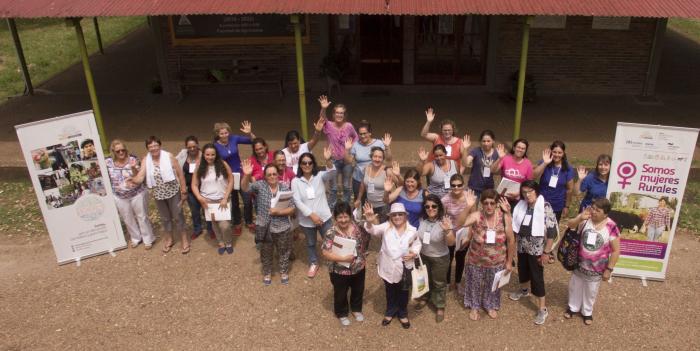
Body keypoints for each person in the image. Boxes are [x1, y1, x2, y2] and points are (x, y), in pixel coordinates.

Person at [458, 189, 515, 320]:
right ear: (482, 204)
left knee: (492, 285)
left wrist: (508, 261)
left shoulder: (504, 216)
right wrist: (468, 206)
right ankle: (474, 306)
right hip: (476, 260)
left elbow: (511, 240)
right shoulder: (477, 216)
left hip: (497, 261)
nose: (489, 206)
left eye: (492, 203)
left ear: (496, 204)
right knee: (474, 284)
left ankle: (489, 304)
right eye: (486, 203)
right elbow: (460, 223)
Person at [508, 180, 559, 325]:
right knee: (522, 269)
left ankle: (542, 308)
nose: (527, 194)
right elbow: (515, 224)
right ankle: (524, 290)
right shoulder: (521, 205)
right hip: (522, 245)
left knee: (537, 276)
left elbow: (551, 232)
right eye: (524, 192)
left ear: (536, 191)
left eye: (530, 191)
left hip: (537, 248)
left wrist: (546, 252)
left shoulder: (544, 206)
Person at [363, 202, 421, 329]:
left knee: (404, 291)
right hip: (387, 265)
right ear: (390, 216)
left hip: (405, 267)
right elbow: (372, 229)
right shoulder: (385, 227)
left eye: (400, 214)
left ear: (405, 216)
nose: (397, 217)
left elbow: (417, 245)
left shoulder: (412, 230)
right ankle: (390, 311)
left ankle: (402, 313)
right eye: (394, 215)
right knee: (390, 290)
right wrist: (369, 221)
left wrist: (413, 254)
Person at [564, 198, 620, 325]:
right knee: (575, 285)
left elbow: (616, 250)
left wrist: (609, 269)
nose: (593, 212)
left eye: (597, 210)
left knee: (591, 290)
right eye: (593, 208)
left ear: (605, 213)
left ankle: (587, 311)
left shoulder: (611, 226)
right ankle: (573, 307)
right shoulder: (585, 219)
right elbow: (570, 225)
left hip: (597, 267)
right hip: (579, 263)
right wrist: (580, 218)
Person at [129, 136, 189, 254]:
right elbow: (141, 176)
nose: (153, 148)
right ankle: (170, 239)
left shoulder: (169, 156)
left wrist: (183, 191)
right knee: (165, 218)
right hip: (158, 194)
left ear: (160, 146)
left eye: (155, 145)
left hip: (173, 192)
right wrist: (133, 179)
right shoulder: (146, 160)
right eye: (150, 146)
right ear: (147, 148)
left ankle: (184, 239)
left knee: (178, 216)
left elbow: (180, 174)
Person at [241, 160, 296, 285]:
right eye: (269, 174)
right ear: (265, 176)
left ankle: (283, 271)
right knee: (266, 251)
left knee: (283, 250)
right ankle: (267, 272)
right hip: (264, 226)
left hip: (282, 227)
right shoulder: (260, 185)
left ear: (278, 175)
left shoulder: (285, 188)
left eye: (274, 174)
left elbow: (292, 208)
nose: (272, 176)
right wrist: (247, 175)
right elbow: (245, 188)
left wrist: (279, 212)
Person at [321, 202, 372, 326]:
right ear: (335, 218)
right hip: (339, 270)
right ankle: (342, 313)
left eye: (346, 217)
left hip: (359, 267)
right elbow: (325, 252)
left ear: (350, 216)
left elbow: (372, 230)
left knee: (358, 290)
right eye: (340, 217)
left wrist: (370, 221)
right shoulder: (331, 233)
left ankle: (356, 309)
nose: (343, 220)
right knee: (340, 292)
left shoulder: (358, 228)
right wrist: (342, 258)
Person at [291, 147, 335, 278]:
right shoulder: (295, 181)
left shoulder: (320, 176)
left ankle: (333, 260)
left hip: (324, 217)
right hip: (307, 220)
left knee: (331, 239)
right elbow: (297, 201)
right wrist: (312, 215)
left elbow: (333, 173)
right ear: (300, 165)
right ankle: (313, 262)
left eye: (310, 162)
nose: (307, 165)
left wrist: (328, 160)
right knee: (310, 243)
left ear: (313, 164)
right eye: (304, 163)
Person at [105, 139, 155, 249]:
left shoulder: (133, 159)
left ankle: (148, 239)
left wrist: (133, 168)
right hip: (119, 195)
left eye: (123, 150)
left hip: (137, 193)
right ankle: (136, 237)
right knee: (127, 218)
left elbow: (139, 176)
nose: (121, 153)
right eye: (118, 151)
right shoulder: (108, 162)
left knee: (142, 216)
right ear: (113, 152)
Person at [413, 194, 455, 323]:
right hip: (423, 256)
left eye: (434, 206)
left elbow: (451, 243)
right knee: (424, 279)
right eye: (427, 206)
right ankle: (425, 297)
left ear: (439, 207)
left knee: (439, 282)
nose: (430, 208)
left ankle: (440, 305)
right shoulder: (421, 220)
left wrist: (448, 231)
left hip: (440, 257)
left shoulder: (445, 222)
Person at [213, 121, 255, 235]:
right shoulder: (215, 146)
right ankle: (237, 223)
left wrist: (249, 133)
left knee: (247, 199)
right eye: (221, 134)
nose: (225, 135)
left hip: (240, 174)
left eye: (226, 133)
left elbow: (253, 141)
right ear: (217, 134)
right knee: (235, 201)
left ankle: (249, 221)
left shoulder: (234, 138)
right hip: (228, 177)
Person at [192, 144, 234, 255]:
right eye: (207, 154)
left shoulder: (223, 164)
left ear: (216, 155)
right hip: (208, 201)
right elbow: (194, 185)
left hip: (223, 200)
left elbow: (231, 180)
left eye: (212, 154)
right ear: (204, 155)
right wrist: (200, 198)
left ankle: (228, 242)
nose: (210, 157)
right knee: (214, 223)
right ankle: (221, 242)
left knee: (225, 225)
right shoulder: (199, 166)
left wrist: (225, 197)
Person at [319, 95, 358, 208]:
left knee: (347, 186)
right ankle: (332, 208)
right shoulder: (329, 125)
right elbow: (322, 118)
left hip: (346, 160)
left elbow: (355, 137)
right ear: (334, 114)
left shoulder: (349, 126)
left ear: (344, 115)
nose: (339, 115)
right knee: (334, 187)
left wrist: (352, 149)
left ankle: (345, 208)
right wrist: (323, 108)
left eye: (342, 113)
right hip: (333, 160)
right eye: (337, 112)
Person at [345, 120, 393, 199]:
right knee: (359, 202)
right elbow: (348, 161)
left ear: (370, 133)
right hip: (358, 179)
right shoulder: (355, 145)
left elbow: (388, 159)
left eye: (365, 133)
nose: (362, 136)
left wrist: (387, 147)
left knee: (376, 201)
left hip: (376, 180)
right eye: (360, 134)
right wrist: (346, 150)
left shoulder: (379, 143)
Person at [441, 174, 471, 292]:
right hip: (450, 234)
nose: (456, 188)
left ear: (463, 185)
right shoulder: (445, 200)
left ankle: (458, 282)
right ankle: (447, 282)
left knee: (460, 258)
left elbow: (472, 217)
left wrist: (469, 235)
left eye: (459, 185)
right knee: (448, 258)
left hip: (464, 233)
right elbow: (443, 218)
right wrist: (447, 232)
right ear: (450, 186)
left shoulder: (469, 198)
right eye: (453, 185)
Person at [533, 141, 575, 221]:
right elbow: (534, 176)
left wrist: (566, 206)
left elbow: (570, 189)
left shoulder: (568, 169)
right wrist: (545, 163)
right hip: (542, 202)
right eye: (554, 152)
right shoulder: (544, 162)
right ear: (551, 152)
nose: (557, 155)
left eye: (560, 152)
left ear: (563, 153)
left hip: (557, 205)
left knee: (552, 231)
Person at [181, 136, 213, 239]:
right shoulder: (183, 155)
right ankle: (197, 229)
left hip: (204, 189)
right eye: (189, 147)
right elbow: (177, 168)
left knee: (206, 210)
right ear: (186, 147)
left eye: (194, 146)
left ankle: (211, 229)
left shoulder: (204, 155)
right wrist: (183, 188)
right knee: (194, 211)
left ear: (198, 145)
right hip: (190, 190)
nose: (192, 149)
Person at [490, 138, 533, 208]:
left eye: (523, 148)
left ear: (525, 151)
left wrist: (519, 193)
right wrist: (500, 158)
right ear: (514, 148)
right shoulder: (505, 159)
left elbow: (529, 184)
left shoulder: (528, 163)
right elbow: (493, 170)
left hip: (519, 199)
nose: (520, 150)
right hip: (503, 197)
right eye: (518, 147)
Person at [354, 147, 389, 222]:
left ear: (383, 159)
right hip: (369, 206)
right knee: (370, 229)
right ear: (371, 157)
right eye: (375, 156)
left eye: (380, 157)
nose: (377, 159)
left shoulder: (387, 171)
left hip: (383, 207)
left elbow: (400, 184)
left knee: (380, 230)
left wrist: (398, 175)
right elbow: (363, 184)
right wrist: (359, 199)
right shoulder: (366, 168)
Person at [464, 130, 499, 199]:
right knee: (472, 207)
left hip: (489, 186)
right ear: (480, 142)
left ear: (493, 141)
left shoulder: (497, 153)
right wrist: (465, 149)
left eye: (488, 141)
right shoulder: (476, 151)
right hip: (474, 185)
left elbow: (494, 171)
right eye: (484, 141)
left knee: (488, 207)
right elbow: (466, 163)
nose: (486, 143)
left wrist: (500, 158)